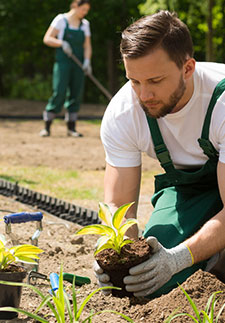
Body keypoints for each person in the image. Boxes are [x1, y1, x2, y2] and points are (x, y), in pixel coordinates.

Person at [94, 10, 225, 298]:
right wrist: (117, 255)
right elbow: (118, 205)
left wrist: (179, 258)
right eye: (134, 81)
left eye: (155, 80)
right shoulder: (123, 113)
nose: (144, 95)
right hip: (192, 191)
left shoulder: (221, 102)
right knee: (153, 278)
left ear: (188, 68)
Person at [40, 0, 92, 138]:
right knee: (59, 92)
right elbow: (47, 38)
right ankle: (47, 126)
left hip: (78, 64)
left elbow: (87, 46)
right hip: (63, 63)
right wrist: (61, 43)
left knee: (76, 94)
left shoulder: (85, 24)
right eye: (83, 9)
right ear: (75, 6)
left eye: (87, 10)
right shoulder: (61, 20)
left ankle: (71, 128)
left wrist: (87, 61)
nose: (85, 12)